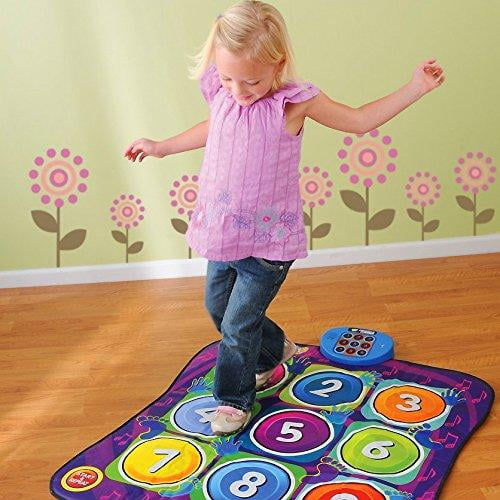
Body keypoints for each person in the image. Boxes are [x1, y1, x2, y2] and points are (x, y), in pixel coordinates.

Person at [123, 0, 445, 436]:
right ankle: (275, 351)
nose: (238, 90)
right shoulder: (223, 91)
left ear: (277, 64)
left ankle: (233, 400)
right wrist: (162, 146)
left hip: (268, 244)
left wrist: (416, 87)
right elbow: (215, 126)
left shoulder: (294, 103)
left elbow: (359, 121)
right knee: (218, 308)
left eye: (251, 81)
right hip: (224, 234)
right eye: (228, 78)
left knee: (237, 325)